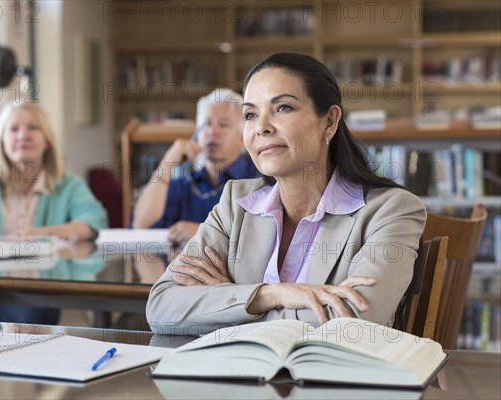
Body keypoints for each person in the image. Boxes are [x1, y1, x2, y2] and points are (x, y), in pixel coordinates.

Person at [146, 53, 426, 334]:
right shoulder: (235, 203)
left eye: (282, 108)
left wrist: (227, 299)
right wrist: (268, 295)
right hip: (239, 375)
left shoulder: (392, 210)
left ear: (329, 121)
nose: (261, 127)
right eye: (250, 115)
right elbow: (161, 308)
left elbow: (352, 322)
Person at [0, 103, 108, 324]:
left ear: (47, 139)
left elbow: (93, 221)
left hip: (35, 291)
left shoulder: (68, 184)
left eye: (33, 128)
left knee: (30, 321)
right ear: (1, 140)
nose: (23, 135)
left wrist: (40, 234)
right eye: (14, 129)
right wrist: (3, 250)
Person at [131, 88, 258, 244]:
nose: (213, 131)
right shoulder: (184, 183)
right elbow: (140, 226)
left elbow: (264, 234)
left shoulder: (258, 180)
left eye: (223, 125)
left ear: (242, 138)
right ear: (197, 134)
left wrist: (205, 232)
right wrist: (167, 162)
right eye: (206, 124)